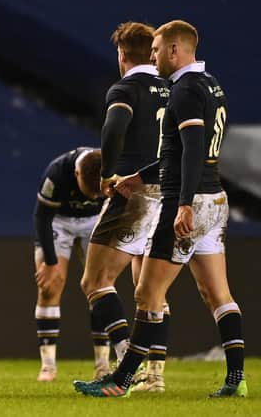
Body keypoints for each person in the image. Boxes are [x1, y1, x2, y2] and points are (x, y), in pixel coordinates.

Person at [75, 20, 247, 398]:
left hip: (188, 202)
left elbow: (191, 151)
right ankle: (236, 379)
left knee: (146, 295)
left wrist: (183, 203)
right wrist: (141, 175)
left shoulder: (184, 90)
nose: (153, 58)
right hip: (216, 200)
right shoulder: (211, 84)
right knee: (218, 294)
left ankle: (121, 381)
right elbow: (185, 152)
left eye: (157, 50)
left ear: (174, 50)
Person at [79, 22, 170, 391]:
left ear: (121, 55)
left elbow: (114, 127)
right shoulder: (174, 89)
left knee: (96, 281)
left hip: (135, 195)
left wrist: (109, 173)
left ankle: (125, 364)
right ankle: (155, 376)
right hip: (174, 194)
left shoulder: (126, 88)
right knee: (151, 291)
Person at [33, 148, 104, 381]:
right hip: (58, 220)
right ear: (76, 174)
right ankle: (48, 366)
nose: (93, 196)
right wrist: (51, 263)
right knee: (50, 285)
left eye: (98, 191)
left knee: (100, 287)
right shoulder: (56, 173)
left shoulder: (112, 170)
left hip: (96, 219)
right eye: (90, 191)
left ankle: (103, 364)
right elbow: (42, 217)